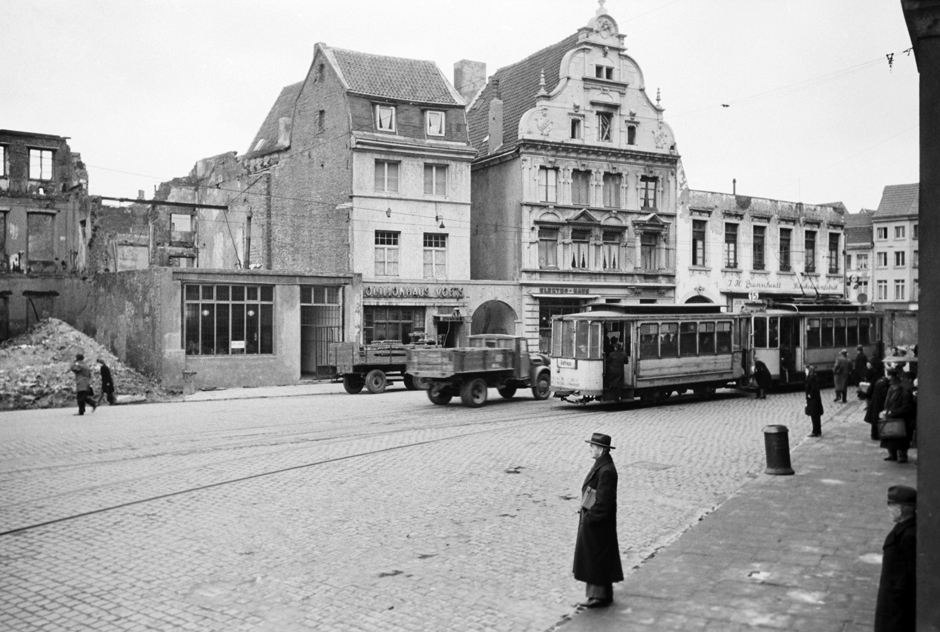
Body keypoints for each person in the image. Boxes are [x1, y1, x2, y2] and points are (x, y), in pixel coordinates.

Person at [573, 433, 623, 608]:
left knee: (595, 559)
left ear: (600, 450)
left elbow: (603, 502)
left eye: (592, 446)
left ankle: (598, 597)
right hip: (598, 522)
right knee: (596, 558)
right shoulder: (603, 465)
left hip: (598, 523)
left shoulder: (606, 470)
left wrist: (590, 518)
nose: (590, 449)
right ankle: (602, 595)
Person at [874, 485, 916, 632]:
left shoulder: (909, 536)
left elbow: (916, 571)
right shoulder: (905, 527)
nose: (888, 510)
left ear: (900, 510)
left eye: (890, 506)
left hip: (899, 602)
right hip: (894, 597)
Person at [880, 368, 915, 463]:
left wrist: (892, 412)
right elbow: (887, 403)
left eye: (894, 385)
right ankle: (892, 455)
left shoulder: (904, 393)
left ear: (898, 385)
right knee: (890, 439)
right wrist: (885, 411)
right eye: (891, 385)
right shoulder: (891, 391)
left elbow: (907, 408)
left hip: (901, 421)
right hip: (891, 419)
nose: (892, 387)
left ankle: (902, 457)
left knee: (900, 441)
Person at [865, 369, 890, 441]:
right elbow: (884, 395)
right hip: (879, 403)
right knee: (878, 419)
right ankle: (876, 434)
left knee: (875, 419)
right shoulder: (884, 383)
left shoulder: (879, 381)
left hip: (875, 402)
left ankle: (874, 434)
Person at [804, 366, 824, 437]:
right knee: (817, 416)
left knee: (814, 416)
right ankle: (818, 431)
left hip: (813, 401)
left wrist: (810, 395)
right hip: (816, 400)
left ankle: (815, 431)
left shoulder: (810, 379)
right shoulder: (813, 377)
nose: (805, 372)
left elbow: (814, 388)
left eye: (806, 370)